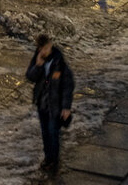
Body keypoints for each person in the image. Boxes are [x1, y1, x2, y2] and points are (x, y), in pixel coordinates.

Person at [25, 34, 74, 173]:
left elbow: (67, 85)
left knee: (53, 132)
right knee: (45, 133)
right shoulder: (37, 59)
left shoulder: (59, 61)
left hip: (55, 105)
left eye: (47, 48)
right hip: (42, 104)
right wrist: (38, 66)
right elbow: (30, 77)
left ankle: (54, 160)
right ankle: (48, 158)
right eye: (43, 49)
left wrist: (66, 107)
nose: (46, 51)